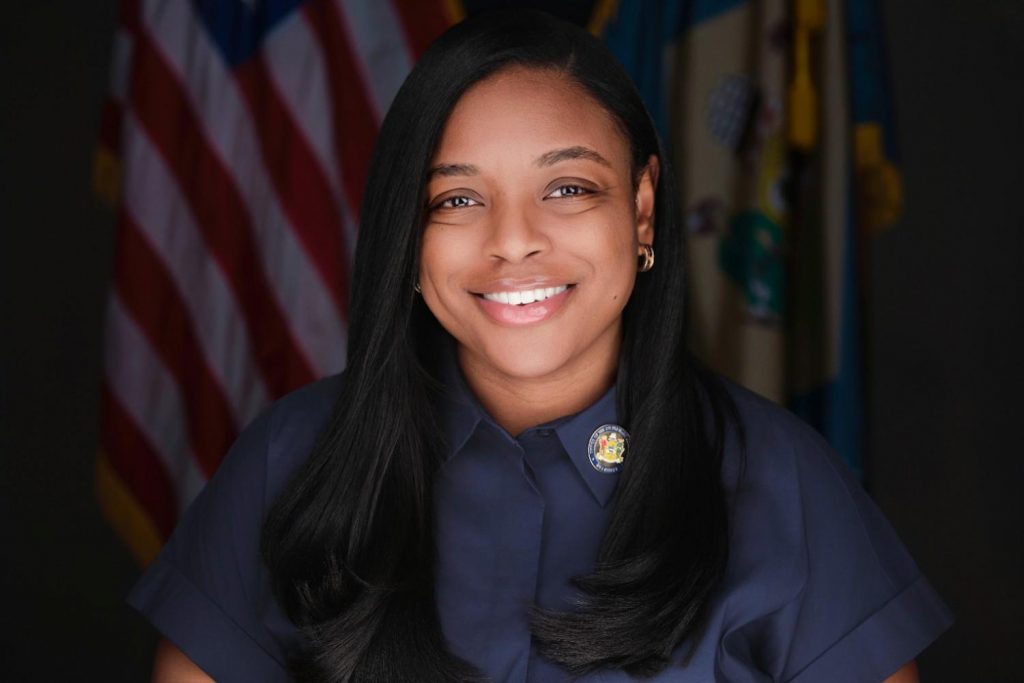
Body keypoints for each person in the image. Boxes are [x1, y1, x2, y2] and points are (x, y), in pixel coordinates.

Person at [129, 9, 952, 682]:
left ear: (640, 209)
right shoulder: (292, 459)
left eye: (567, 187)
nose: (513, 241)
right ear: (406, 241)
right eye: (456, 198)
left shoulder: (784, 483)